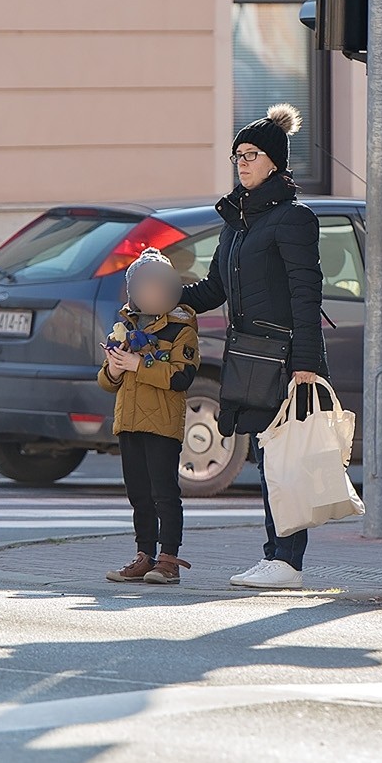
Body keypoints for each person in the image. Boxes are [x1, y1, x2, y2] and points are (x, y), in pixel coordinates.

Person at [180, 103, 326, 590]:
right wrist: (165, 297)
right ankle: (276, 556)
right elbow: (213, 289)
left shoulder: (293, 219)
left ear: (275, 162)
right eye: (238, 155)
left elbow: (307, 295)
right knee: (267, 456)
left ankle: (286, 561)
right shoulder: (237, 223)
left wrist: (307, 364)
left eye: (252, 154)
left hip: (285, 358)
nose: (242, 162)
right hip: (249, 357)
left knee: (283, 459)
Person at [98, 248, 201, 585]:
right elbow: (106, 381)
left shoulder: (181, 327)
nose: (151, 294)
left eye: (158, 287)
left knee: (164, 493)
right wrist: (114, 367)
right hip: (128, 422)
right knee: (138, 493)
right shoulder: (124, 324)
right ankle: (144, 554)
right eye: (144, 287)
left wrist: (140, 365)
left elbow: (181, 377)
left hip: (162, 423)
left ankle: (168, 558)